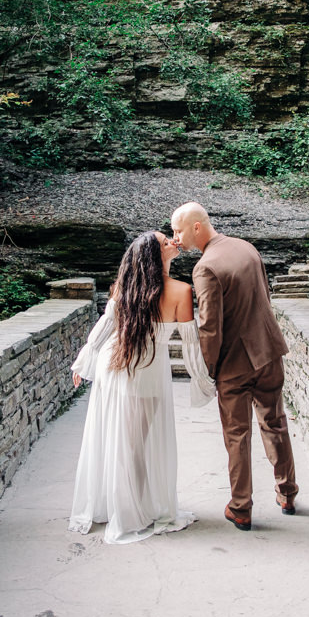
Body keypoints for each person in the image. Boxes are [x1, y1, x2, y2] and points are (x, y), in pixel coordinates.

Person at [68, 231, 216, 544]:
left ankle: (119, 505)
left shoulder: (128, 287)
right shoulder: (180, 291)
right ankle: (129, 512)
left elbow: (106, 324)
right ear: (154, 256)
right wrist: (203, 380)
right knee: (134, 445)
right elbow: (190, 345)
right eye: (165, 242)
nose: (173, 242)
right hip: (143, 370)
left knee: (122, 440)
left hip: (117, 365)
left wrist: (86, 356)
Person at [170, 202, 297, 531]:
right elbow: (264, 297)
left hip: (235, 366)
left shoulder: (205, 267)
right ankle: (287, 493)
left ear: (197, 227)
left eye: (178, 230)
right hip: (268, 351)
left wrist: (208, 370)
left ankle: (241, 508)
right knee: (276, 423)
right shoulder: (247, 247)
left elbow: (210, 327)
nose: (176, 237)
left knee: (237, 435)